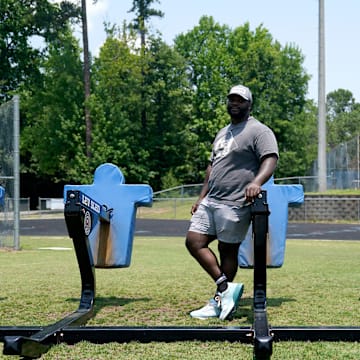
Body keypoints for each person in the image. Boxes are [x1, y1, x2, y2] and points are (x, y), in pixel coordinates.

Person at [185, 84, 279, 320]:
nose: (234, 103)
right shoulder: (222, 132)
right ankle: (226, 290)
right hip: (212, 200)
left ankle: (218, 301)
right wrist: (201, 196)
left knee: (227, 250)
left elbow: (270, 158)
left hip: (235, 202)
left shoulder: (259, 131)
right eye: (231, 100)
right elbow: (212, 166)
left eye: (240, 100)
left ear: (249, 104)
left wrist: (257, 182)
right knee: (194, 242)